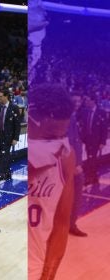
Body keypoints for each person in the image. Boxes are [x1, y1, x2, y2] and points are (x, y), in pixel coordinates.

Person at [28, 83, 75, 280]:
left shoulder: (64, 155)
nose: (58, 141)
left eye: (62, 135)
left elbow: (62, 224)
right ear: (32, 118)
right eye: (50, 136)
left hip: (35, 268)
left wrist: (48, 275)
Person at [77, 93, 107, 185]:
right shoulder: (85, 112)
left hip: (96, 140)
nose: (86, 102)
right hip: (87, 139)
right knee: (90, 157)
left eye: (88, 100)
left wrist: (103, 141)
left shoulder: (101, 112)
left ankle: (90, 177)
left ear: (93, 101)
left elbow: (104, 128)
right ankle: (93, 177)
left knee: (92, 158)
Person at [68, 92, 87, 237]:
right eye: (74, 101)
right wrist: (75, 164)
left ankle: (70, 224)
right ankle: (69, 225)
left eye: (78, 101)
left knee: (74, 196)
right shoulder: (67, 117)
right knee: (73, 196)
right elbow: (69, 143)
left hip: (74, 163)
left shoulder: (73, 116)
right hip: (69, 165)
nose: (77, 103)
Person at [0, 89, 21, 181]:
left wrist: (16, 138)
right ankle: (7, 173)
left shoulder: (14, 108)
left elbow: (17, 124)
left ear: (6, 97)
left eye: (1, 96)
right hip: (0, 134)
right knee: (3, 154)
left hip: (9, 135)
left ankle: (2, 174)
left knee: (5, 155)